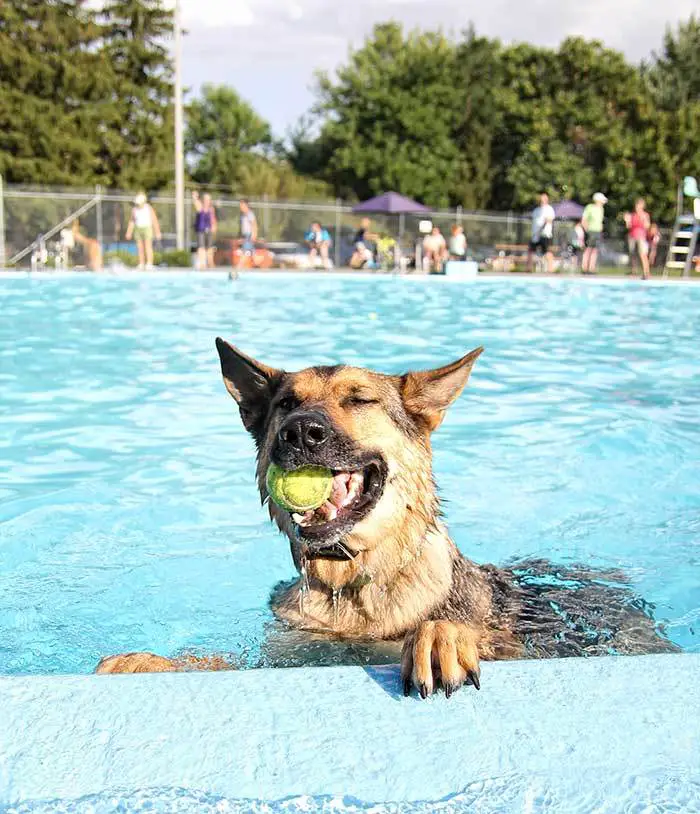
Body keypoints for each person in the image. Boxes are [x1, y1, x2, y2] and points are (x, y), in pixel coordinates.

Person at [125, 192, 161, 270]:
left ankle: (149, 263)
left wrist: (157, 231)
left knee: (148, 246)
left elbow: (154, 220)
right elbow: (132, 221)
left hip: (147, 228)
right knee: (139, 247)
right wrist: (129, 232)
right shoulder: (134, 209)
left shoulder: (148, 208)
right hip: (138, 229)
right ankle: (141, 263)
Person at [526, 191, 555, 273]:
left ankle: (550, 270)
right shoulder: (536, 210)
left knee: (547, 252)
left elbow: (549, 220)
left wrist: (542, 227)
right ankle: (528, 269)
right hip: (535, 235)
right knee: (531, 251)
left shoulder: (549, 209)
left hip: (545, 234)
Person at [624, 198, 651, 279]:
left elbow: (647, 226)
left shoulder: (645, 215)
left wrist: (643, 220)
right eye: (637, 205)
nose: (637, 207)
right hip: (632, 236)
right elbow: (629, 226)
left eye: (639, 205)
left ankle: (646, 272)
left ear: (642, 206)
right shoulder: (633, 215)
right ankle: (634, 271)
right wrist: (627, 221)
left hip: (641, 236)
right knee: (632, 254)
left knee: (643, 254)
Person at [581, 192, 607, 274]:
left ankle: (592, 268)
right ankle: (584, 268)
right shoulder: (589, 207)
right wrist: (586, 230)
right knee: (588, 249)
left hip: (598, 231)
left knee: (595, 250)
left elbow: (600, 221)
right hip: (591, 231)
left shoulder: (601, 209)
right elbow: (584, 220)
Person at [192, 191, 217, 270]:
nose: (207, 201)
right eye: (206, 199)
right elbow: (196, 203)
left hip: (208, 229)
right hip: (201, 230)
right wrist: (195, 197)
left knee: (210, 247)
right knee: (201, 247)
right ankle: (202, 263)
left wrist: (214, 226)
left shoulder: (211, 209)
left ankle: (210, 263)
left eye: (209, 200)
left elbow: (213, 218)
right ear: (203, 200)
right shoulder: (200, 206)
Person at [236, 199, 258, 270]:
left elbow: (254, 224)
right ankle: (263, 267)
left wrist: (254, 234)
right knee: (253, 254)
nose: (240, 207)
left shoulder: (249, 214)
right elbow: (243, 227)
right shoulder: (243, 215)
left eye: (242, 205)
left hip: (249, 235)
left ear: (246, 205)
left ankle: (239, 267)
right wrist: (241, 237)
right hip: (245, 235)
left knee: (245, 251)